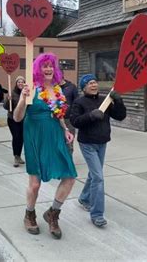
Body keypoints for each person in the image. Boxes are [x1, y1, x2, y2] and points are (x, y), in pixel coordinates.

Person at [13, 53, 76, 240]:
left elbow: (59, 113)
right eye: (44, 66)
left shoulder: (58, 89)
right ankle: (29, 214)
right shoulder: (31, 88)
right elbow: (17, 117)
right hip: (35, 136)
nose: (48, 69)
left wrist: (65, 129)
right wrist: (23, 99)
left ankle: (53, 213)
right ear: (38, 69)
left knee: (70, 177)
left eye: (51, 66)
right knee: (35, 184)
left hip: (55, 134)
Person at [69, 74, 126, 228]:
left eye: (95, 82)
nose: (94, 85)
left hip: (102, 142)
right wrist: (91, 115)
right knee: (98, 178)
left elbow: (120, 116)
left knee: (94, 174)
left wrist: (118, 101)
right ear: (84, 87)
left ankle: (84, 198)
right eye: (89, 83)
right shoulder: (79, 102)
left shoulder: (104, 100)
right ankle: (97, 214)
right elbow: (75, 121)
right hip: (87, 144)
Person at [4, 76, 26, 167]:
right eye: (18, 82)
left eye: (22, 82)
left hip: (23, 119)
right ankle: (16, 157)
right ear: (16, 84)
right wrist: (7, 100)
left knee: (21, 138)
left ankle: (19, 156)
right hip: (12, 119)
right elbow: (5, 107)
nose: (20, 83)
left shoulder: (26, 93)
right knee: (16, 136)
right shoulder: (12, 93)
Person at [60, 71, 79, 153]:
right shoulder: (52, 87)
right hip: (55, 119)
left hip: (68, 119)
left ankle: (69, 162)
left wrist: (73, 114)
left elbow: (77, 102)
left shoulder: (71, 87)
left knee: (69, 142)